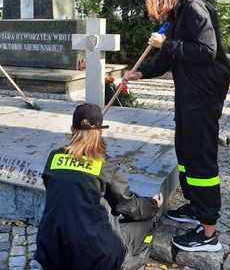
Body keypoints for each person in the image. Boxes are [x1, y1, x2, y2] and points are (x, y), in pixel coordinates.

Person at [123, 0, 230, 253]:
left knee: (200, 159)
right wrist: (140, 72)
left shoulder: (194, 7)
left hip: (204, 95)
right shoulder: (177, 12)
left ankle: (209, 233)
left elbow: (206, 51)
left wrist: (166, 44)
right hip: (189, 93)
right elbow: (168, 60)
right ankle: (196, 207)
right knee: (185, 152)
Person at [35, 103, 163, 270]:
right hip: (96, 258)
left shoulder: (54, 158)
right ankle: (131, 260)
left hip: (51, 253)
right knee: (147, 221)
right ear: (100, 132)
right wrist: (153, 205)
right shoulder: (105, 165)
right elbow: (128, 206)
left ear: (72, 129)